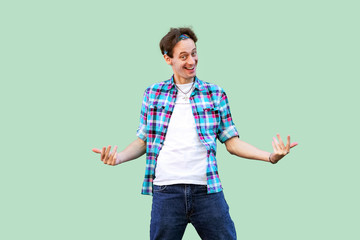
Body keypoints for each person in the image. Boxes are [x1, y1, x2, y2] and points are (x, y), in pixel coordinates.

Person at [92, 27, 298, 240]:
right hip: (166, 192)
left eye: (194, 53)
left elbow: (232, 142)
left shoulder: (215, 93)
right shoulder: (152, 93)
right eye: (183, 56)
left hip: (207, 191)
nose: (192, 61)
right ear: (167, 59)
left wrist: (270, 157)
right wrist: (118, 158)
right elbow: (145, 140)